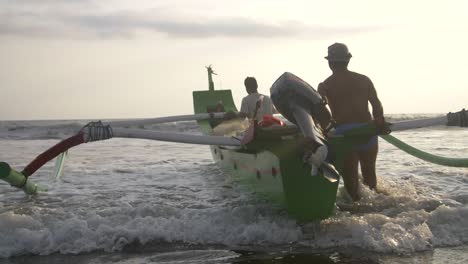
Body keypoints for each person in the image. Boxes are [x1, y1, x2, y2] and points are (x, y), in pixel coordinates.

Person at [317, 43, 389, 201]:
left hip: (344, 136)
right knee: (370, 178)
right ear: (348, 60)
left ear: (330, 62)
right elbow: (377, 106)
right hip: (367, 132)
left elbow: (320, 115)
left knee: (351, 185)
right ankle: (381, 210)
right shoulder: (364, 80)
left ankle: (358, 214)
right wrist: (379, 122)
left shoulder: (325, 86)